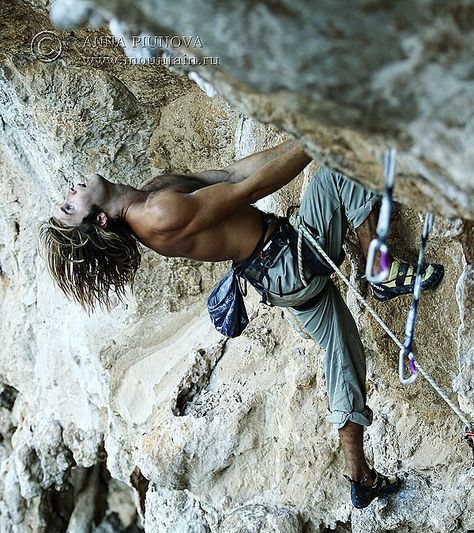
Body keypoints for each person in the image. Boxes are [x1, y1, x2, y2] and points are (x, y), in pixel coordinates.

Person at [38, 138, 444, 509]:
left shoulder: (151, 192)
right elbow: (248, 191)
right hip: (288, 260)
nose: (70, 191)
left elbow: (234, 173)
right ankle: (379, 267)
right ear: (101, 221)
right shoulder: (158, 214)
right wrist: (322, 140)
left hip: (278, 274)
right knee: (343, 163)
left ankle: (359, 476)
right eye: (70, 206)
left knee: (342, 351)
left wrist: (303, 136)